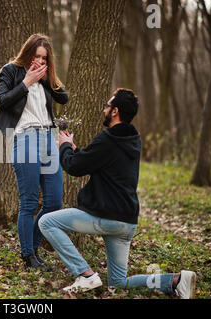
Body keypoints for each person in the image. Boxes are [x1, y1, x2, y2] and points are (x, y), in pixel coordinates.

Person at [38, 88, 197, 298]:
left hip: (106, 217)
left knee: (47, 222)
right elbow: (100, 161)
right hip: (126, 222)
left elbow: (74, 168)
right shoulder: (132, 140)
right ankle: (177, 280)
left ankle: (85, 275)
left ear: (115, 111)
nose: (104, 109)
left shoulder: (108, 138)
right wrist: (75, 150)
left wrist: (65, 147)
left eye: (107, 106)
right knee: (118, 283)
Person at [0, 34, 69, 270]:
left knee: (54, 201)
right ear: (27, 54)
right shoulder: (11, 71)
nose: (39, 61)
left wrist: (47, 78)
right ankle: (28, 256)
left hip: (49, 136)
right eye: (36, 56)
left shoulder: (46, 76)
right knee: (28, 202)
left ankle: (33, 248)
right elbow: (2, 101)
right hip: (25, 136)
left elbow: (63, 98)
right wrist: (26, 81)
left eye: (44, 58)